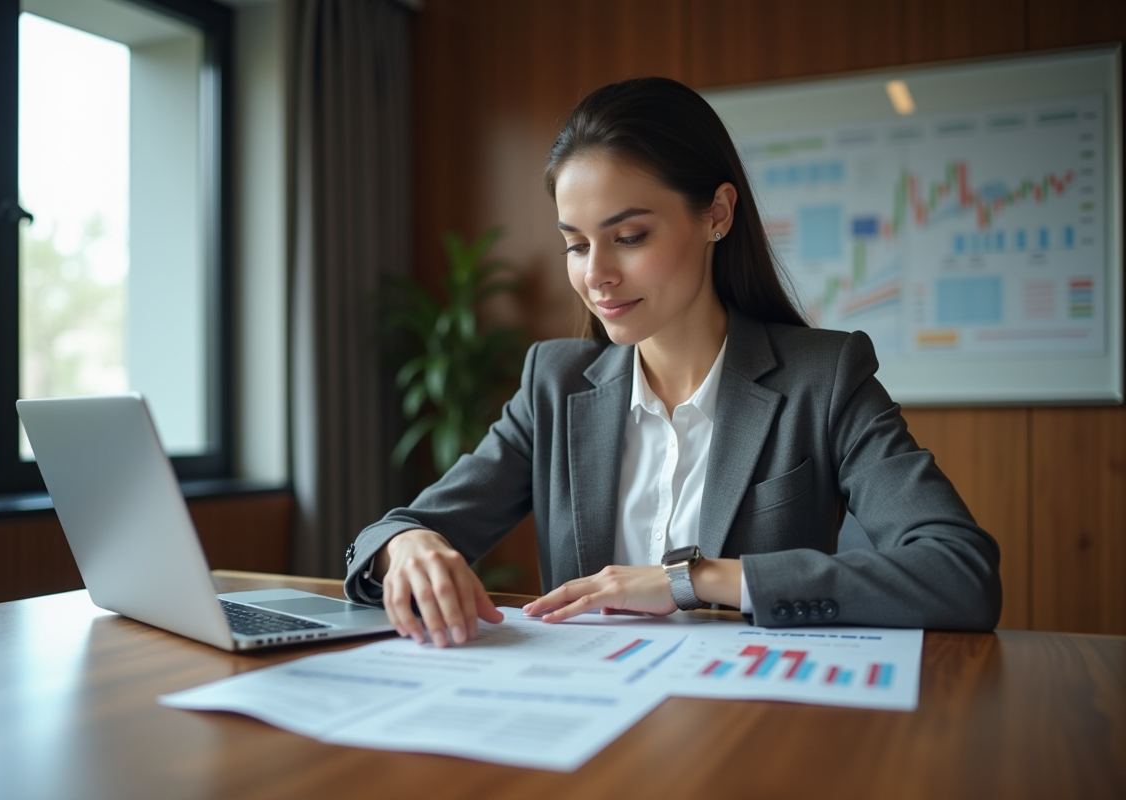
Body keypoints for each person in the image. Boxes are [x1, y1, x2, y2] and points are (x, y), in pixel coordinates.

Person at [343, 76, 1001, 648]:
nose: (596, 275)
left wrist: (691, 581)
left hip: (753, 732)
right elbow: (399, 528)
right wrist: (409, 546)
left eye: (629, 237)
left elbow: (960, 571)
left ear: (716, 214)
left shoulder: (823, 378)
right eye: (576, 245)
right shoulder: (555, 382)